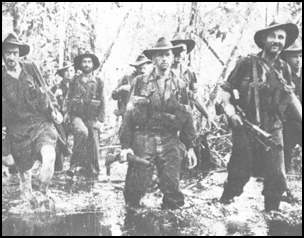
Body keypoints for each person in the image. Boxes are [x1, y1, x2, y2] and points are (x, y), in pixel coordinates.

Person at [218, 22, 301, 211]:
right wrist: (230, 111)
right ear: (263, 40)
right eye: (273, 36)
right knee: (239, 174)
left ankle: (271, 214)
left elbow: (291, 96)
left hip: (273, 127)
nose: (277, 41)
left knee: (277, 177)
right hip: (246, 126)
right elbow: (226, 91)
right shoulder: (247, 63)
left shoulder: (284, 68)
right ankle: (224, 206)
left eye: (281, 37)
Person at [119, 37, 198, 209]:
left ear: (172, 57)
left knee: (173, 192)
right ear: (153, 59)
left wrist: (190, 146)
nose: (164, 59)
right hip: (144, 137)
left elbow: (187, 116)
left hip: (169, 139)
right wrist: (125, 145)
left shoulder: (180, 84)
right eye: (159, 55)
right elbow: (129, 114)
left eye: (167, 55)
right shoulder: (140, 82)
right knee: (134, 191)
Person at [2, 33, 61, 208]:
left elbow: (45, 88)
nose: (11, 57)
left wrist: (54, 109)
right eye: (7, 53)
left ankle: (44, 191)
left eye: (14, 52)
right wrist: (5, 150)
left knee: (49, 157)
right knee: (23, 177)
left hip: (40, 123)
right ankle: (30, 204)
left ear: (20, 54)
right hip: (17, 130)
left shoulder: (30, 67)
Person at [67, 51, 105, 177]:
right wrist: (68, 113)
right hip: (77, 115)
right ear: (80, 64)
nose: (87, 64)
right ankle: (73, 165)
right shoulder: (74, 81)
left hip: (92, 116)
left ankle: (93, 169)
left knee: (93, 139)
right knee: (82, 132)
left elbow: (103, 101)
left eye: (89, 62)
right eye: (84, 62)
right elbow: (68, 98)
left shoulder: (98, 81)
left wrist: (100, 120)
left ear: (93, 65)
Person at [281, 39, 302, 173]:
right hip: (282, 124)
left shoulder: (298, 77)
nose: (298, 60)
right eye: (294, 56)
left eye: (300, 56)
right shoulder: (279, 75)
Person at [51, 62, 75, 171]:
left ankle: (74, 166)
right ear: (62, 74)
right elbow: (49, 103)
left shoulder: (77, 85)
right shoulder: (56, 88)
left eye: (71, 70)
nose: (69, 73)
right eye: (66, 71)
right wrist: (55, 97)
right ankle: (59, 167)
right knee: (59, 138)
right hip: (59, 118)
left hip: (74, 116)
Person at [112, 54, 151, 118]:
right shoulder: (127, 78)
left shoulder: (150, 79)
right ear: (136, 68)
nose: (142, 70)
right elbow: (114, 96)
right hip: (128, 114)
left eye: (144, 68)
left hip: (145, 115)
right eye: (140, 68)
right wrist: (121, 89)